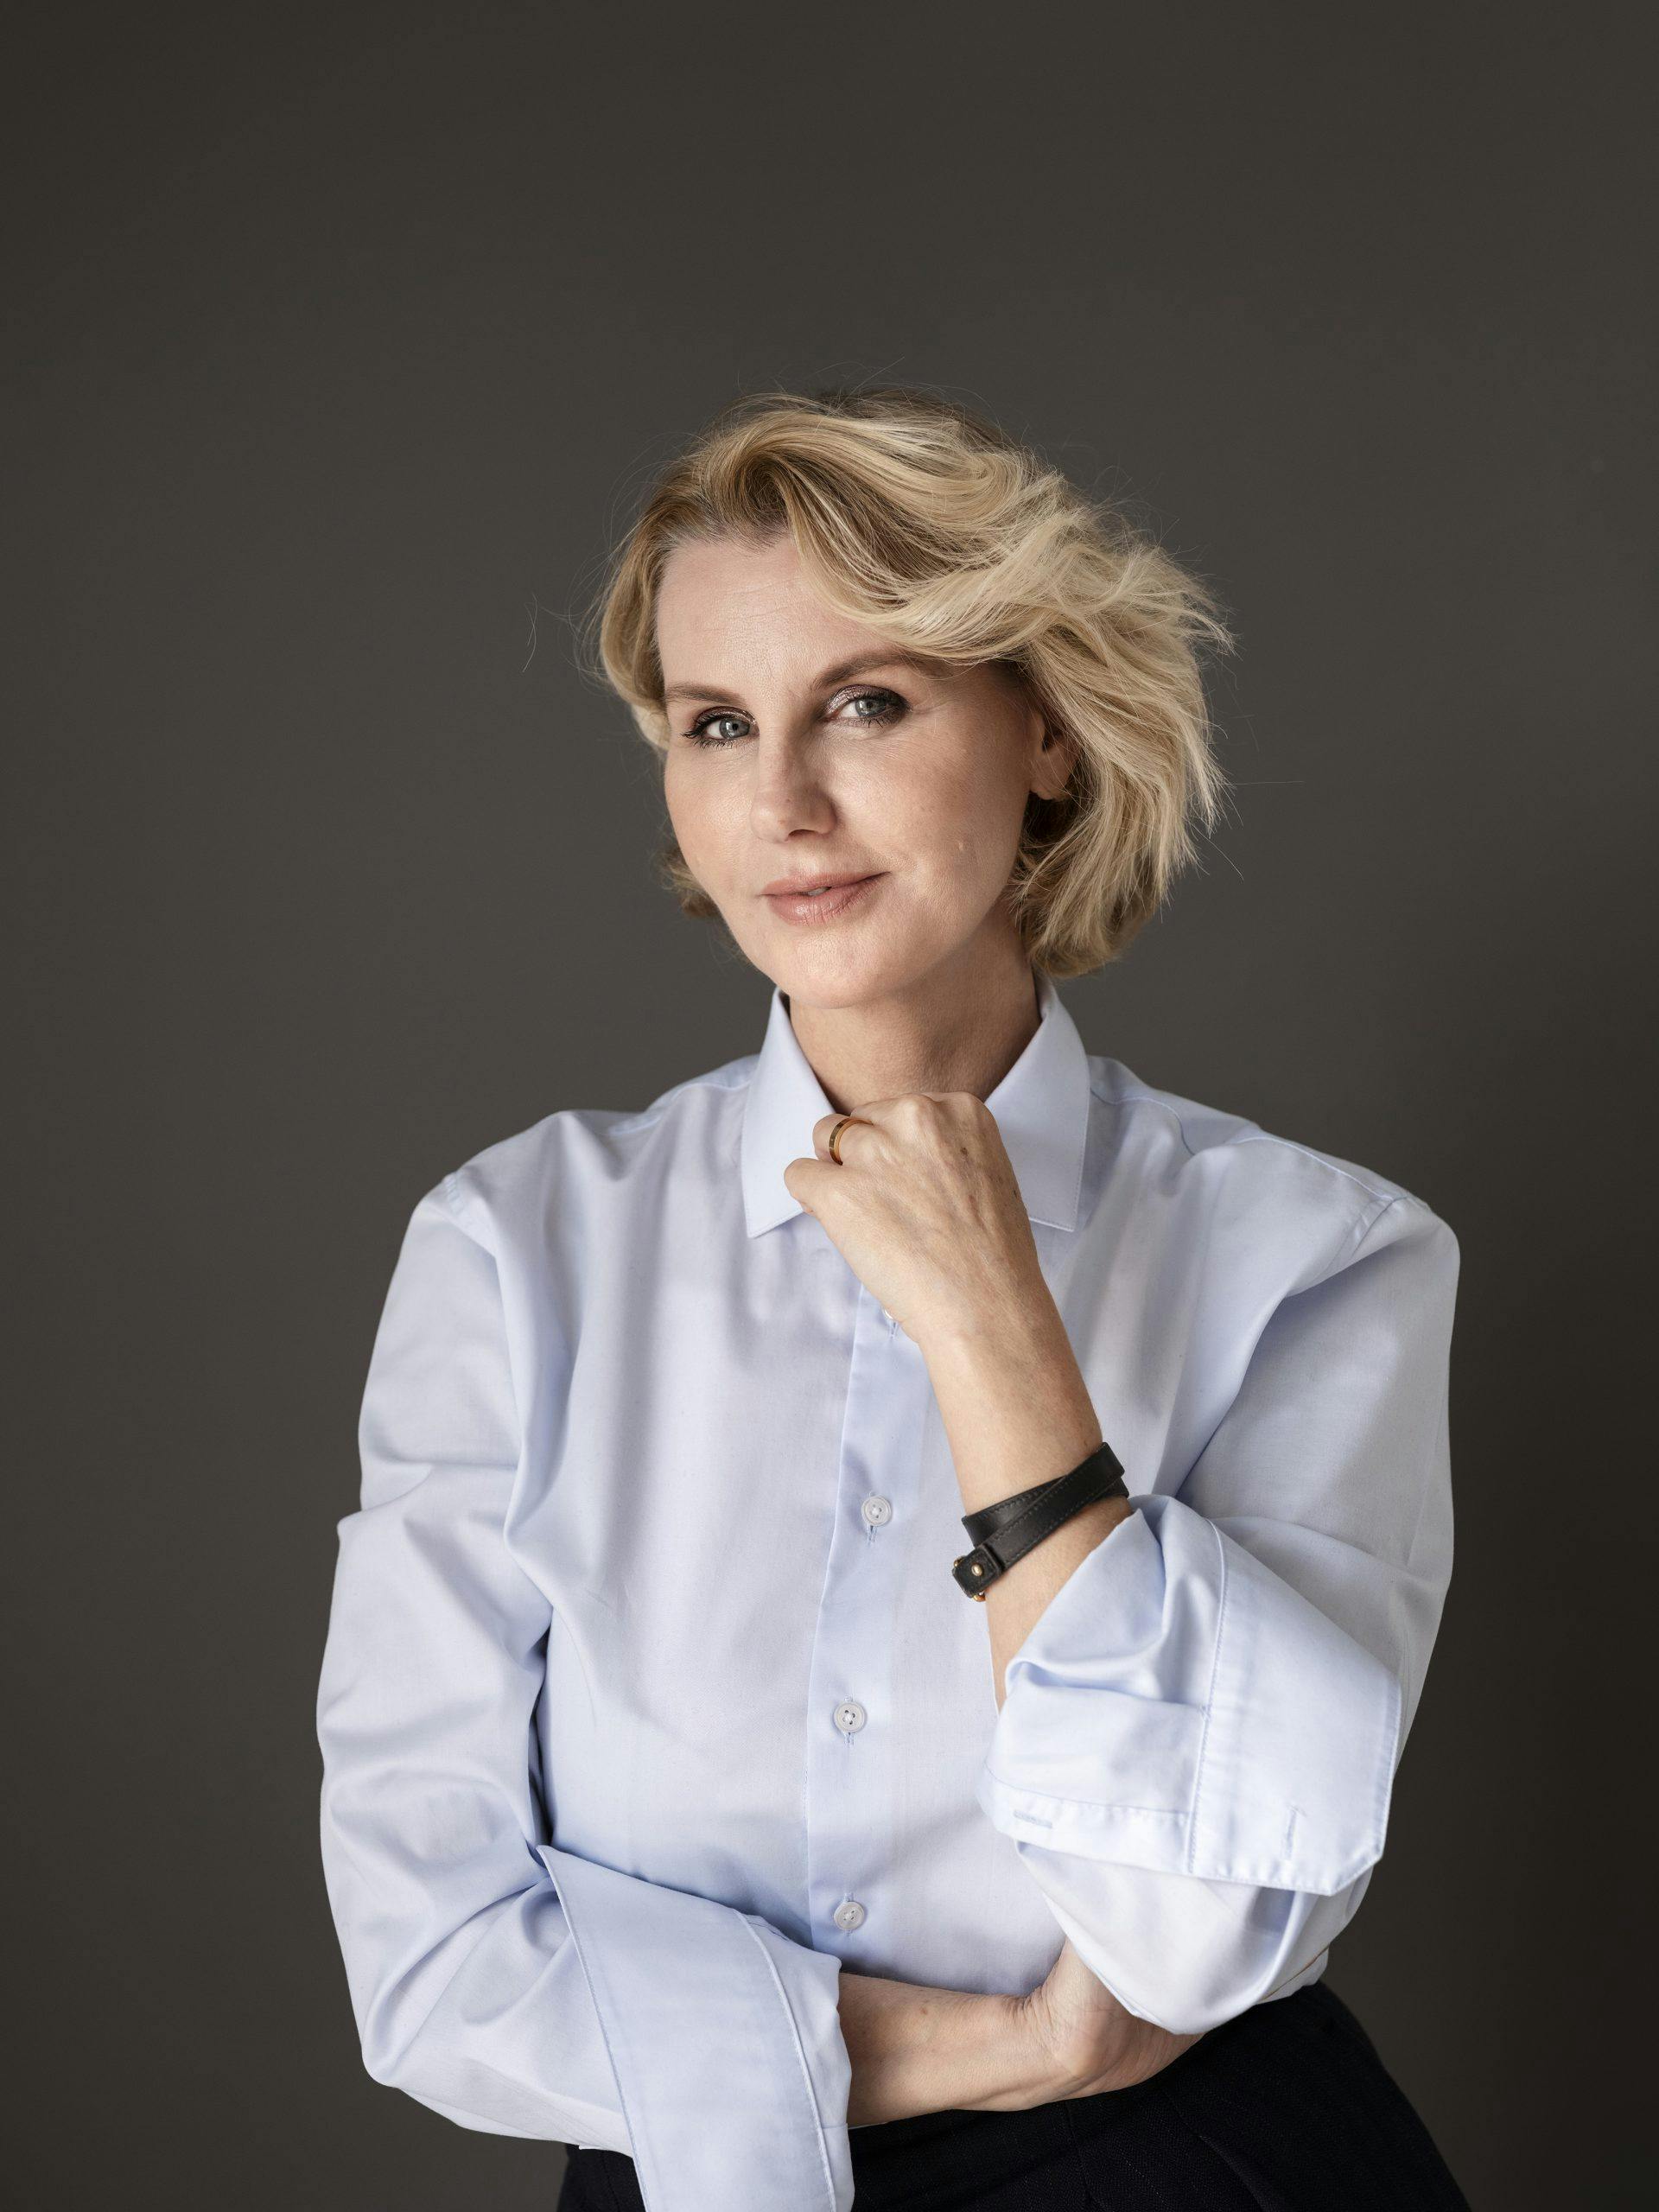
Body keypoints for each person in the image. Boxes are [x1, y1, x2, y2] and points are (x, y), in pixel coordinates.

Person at [316, 385, 1471, 2210]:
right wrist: (1009, 2045)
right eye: (716, 723)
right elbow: (432, 1958)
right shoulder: (514, 1249)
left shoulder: (1322, 1260)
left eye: (866, 701)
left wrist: (999, 1331)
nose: (781, 802)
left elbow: (1193, 1926)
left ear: (1047, 732)